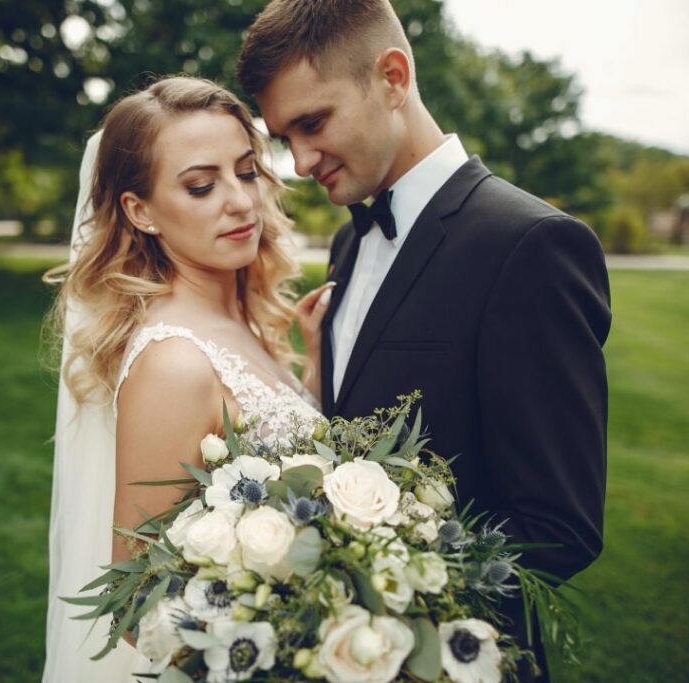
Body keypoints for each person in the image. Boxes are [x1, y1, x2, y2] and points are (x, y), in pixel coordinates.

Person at [237, 0, 612, 679]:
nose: (297, 161)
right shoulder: (351, 238)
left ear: (392, 76)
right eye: (285, 136)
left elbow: (558, 526)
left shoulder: (531, 246)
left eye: (312, 123)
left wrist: (378, 598)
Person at [40, 76, 331, 682]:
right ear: (140, 211)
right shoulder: (174, 363)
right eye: (201, 185)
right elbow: (136, 598)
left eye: (247, 172)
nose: (241, 202)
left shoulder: (236, 318)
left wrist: (312, 372)